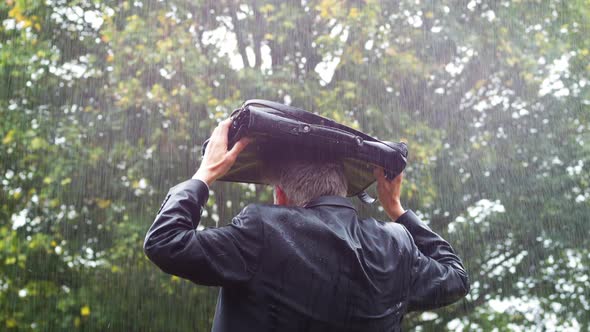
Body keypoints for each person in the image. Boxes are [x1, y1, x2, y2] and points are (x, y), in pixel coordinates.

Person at [144, 118, 469, 331]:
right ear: (341, 187)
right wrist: (396, 210)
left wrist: (204, 174)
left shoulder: (264, 230)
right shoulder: (395, 245)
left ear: (282, 196)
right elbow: (455, 278)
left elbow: (165, 242)